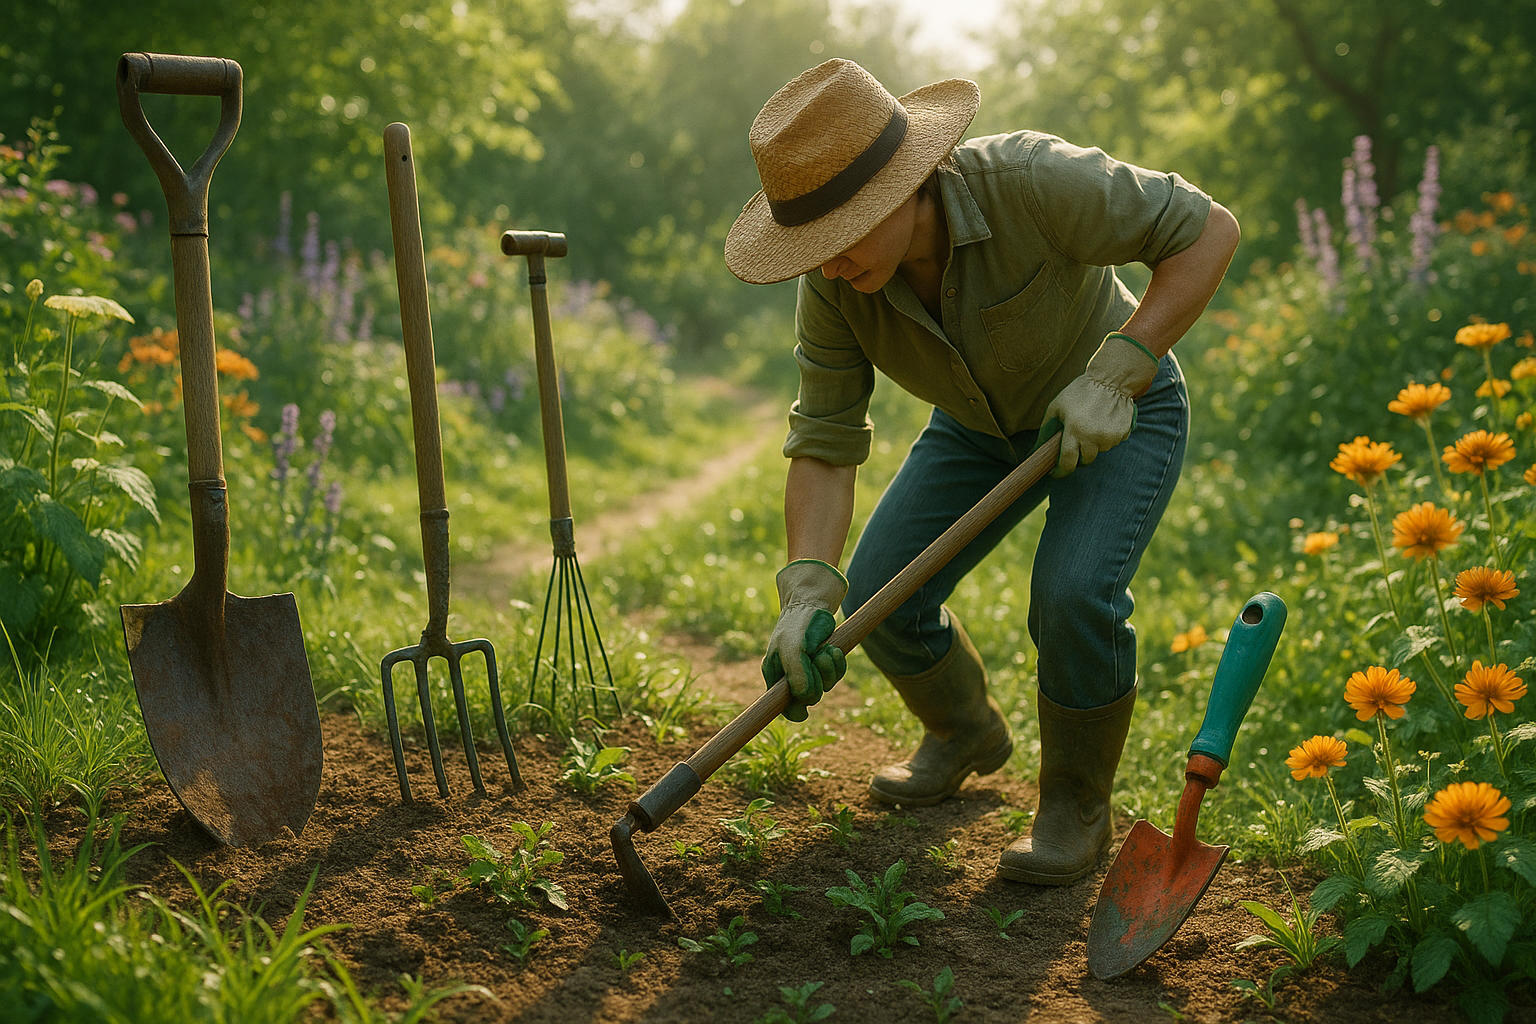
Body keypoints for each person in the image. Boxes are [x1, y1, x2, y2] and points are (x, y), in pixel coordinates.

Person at [727, 59, 1239, 885]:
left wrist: (1123, 367)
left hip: (1115, 409)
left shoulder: (1033, 181)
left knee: (1073, 595)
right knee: (883, 592)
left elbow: (1208, 229)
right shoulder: (834, 286)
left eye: (839, 235)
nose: (824, 265)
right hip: (975, 430)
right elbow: (824, 436)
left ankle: (1074, 803)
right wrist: (808, 585)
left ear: (905, 185)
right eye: (809, 246)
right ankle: (963, 732)